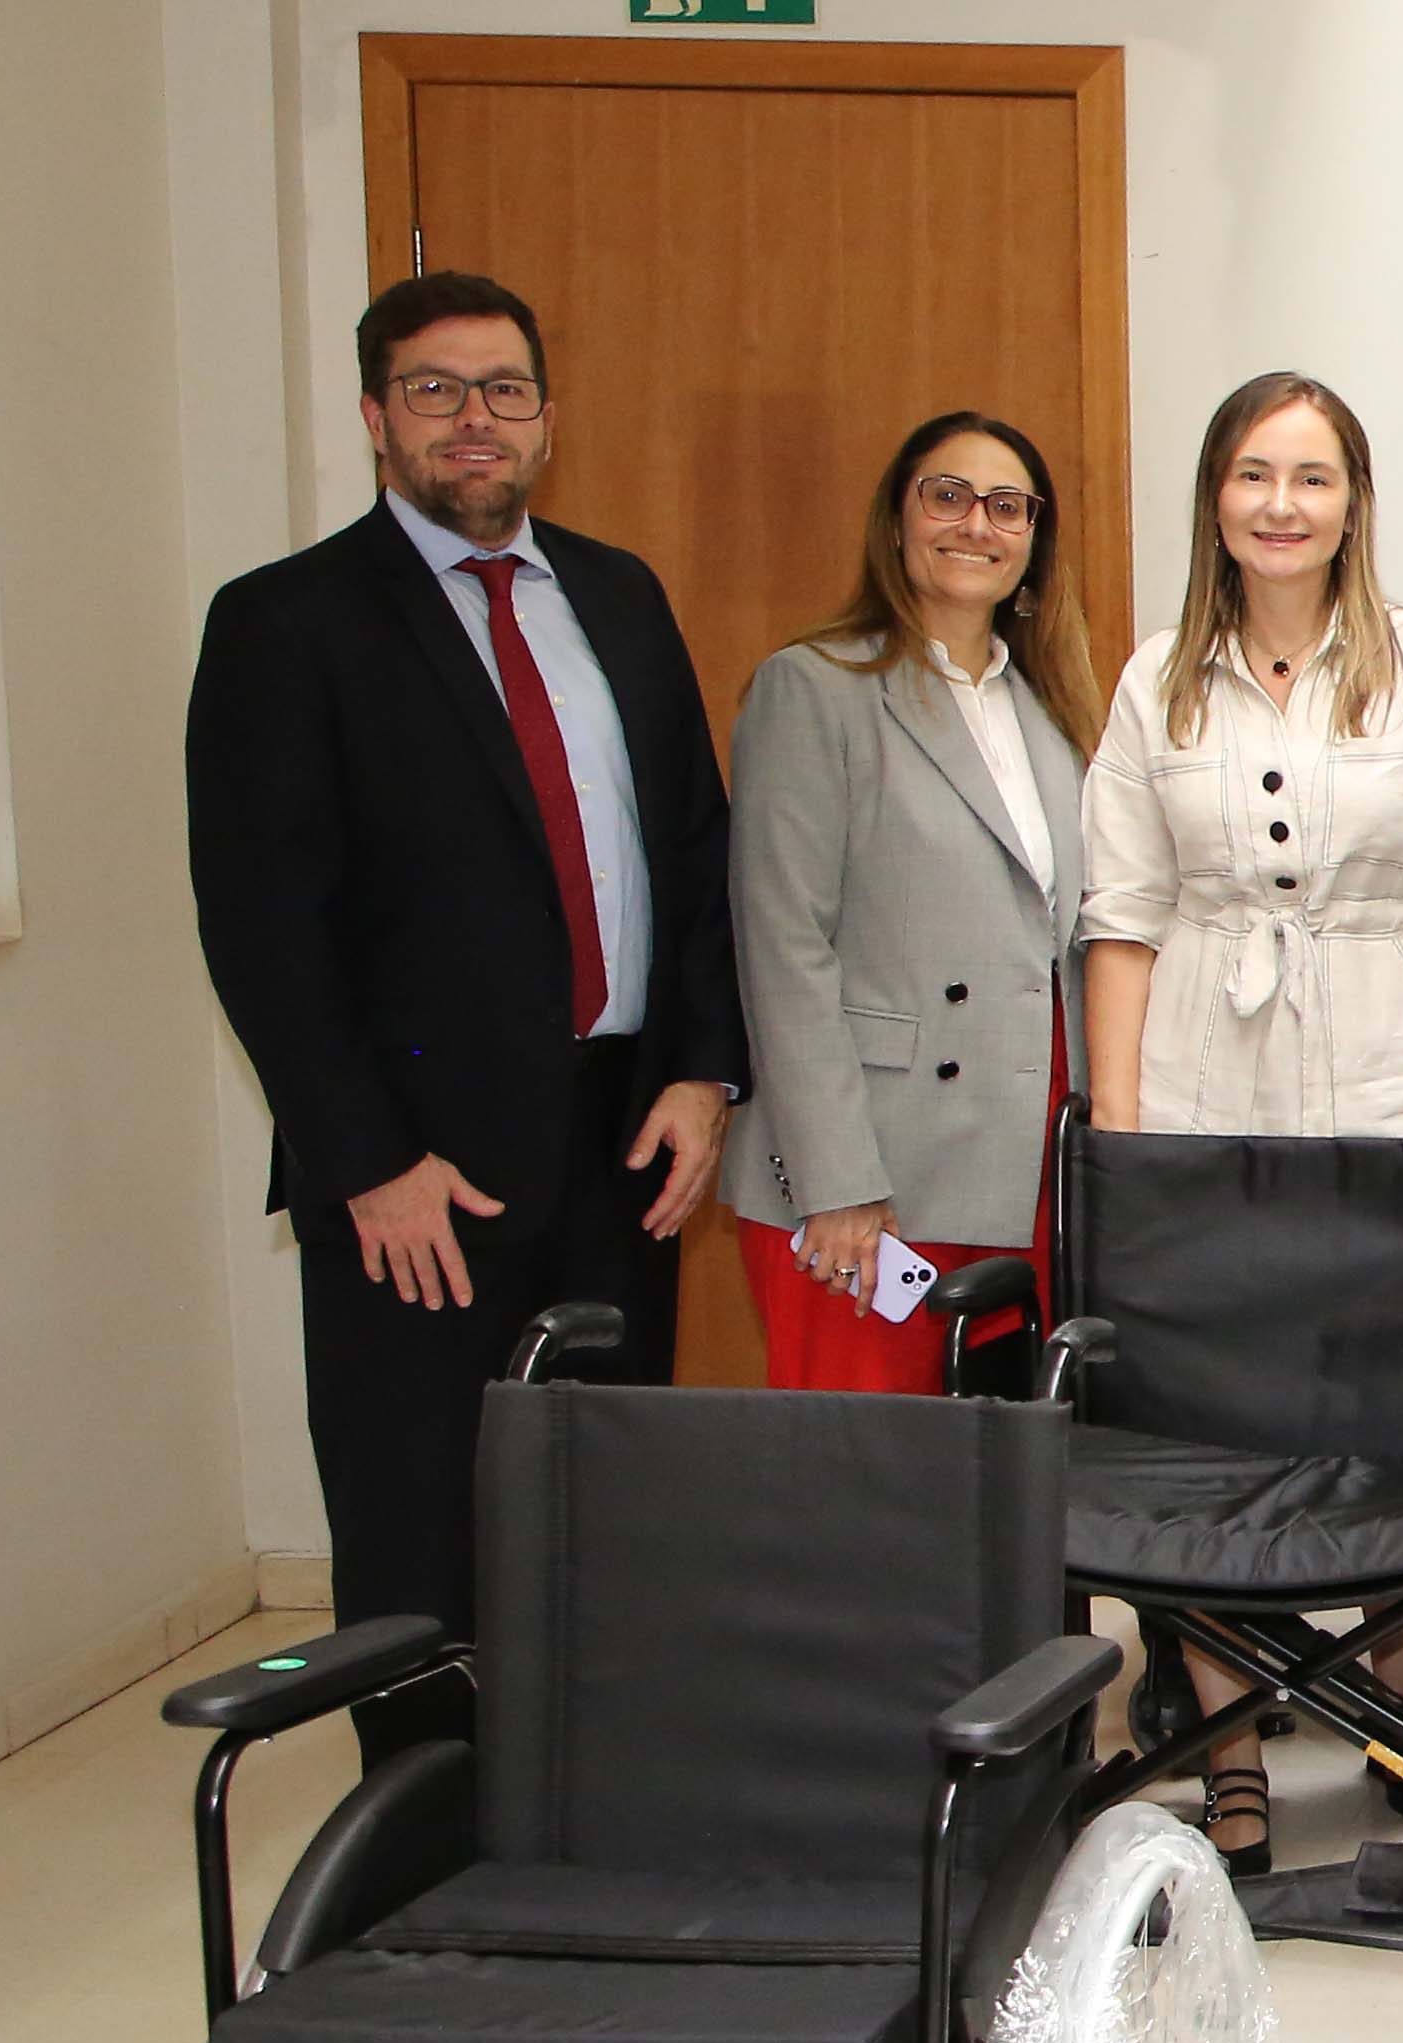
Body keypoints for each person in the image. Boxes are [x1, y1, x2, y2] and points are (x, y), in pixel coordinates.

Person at [188, 271, 741, 1763]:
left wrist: (702, 1073)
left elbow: (694, 851)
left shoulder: (617, 595)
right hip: (418, 1168)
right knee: (420, 1515)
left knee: (605, 1497)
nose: (472, 420)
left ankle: (598, 1798)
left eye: (502, 389)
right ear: (375, 418)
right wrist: (363, 1158)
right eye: (433, 390)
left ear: (547, 417)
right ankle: (427, 1840)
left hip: (623, 1133)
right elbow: (261, 926)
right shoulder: (284, 623)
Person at [1078, 370, 1403, 1866]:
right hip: (1200, 1067)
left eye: (1312, 477)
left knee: (1383, 1393)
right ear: (1214, 499)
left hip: (1382, 1059)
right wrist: (1120, 1132)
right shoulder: (1157, 676)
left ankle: (1383, 1705)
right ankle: (1229, 1751)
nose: (1281, 504)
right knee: (1204, 1407)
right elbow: (1122, 915)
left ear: (1354, 501)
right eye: (1253, 475)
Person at [723, 410, 1096, 1391]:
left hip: (1027, 1163)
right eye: (948, 495)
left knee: (999, 1485)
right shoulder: (815, 689)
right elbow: (781, 947)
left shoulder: (1054, 712)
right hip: (870, 1175)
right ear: (896, 521)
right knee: (861, 1490)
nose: (977, 524)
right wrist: (838, 1182)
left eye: (1007, 506)